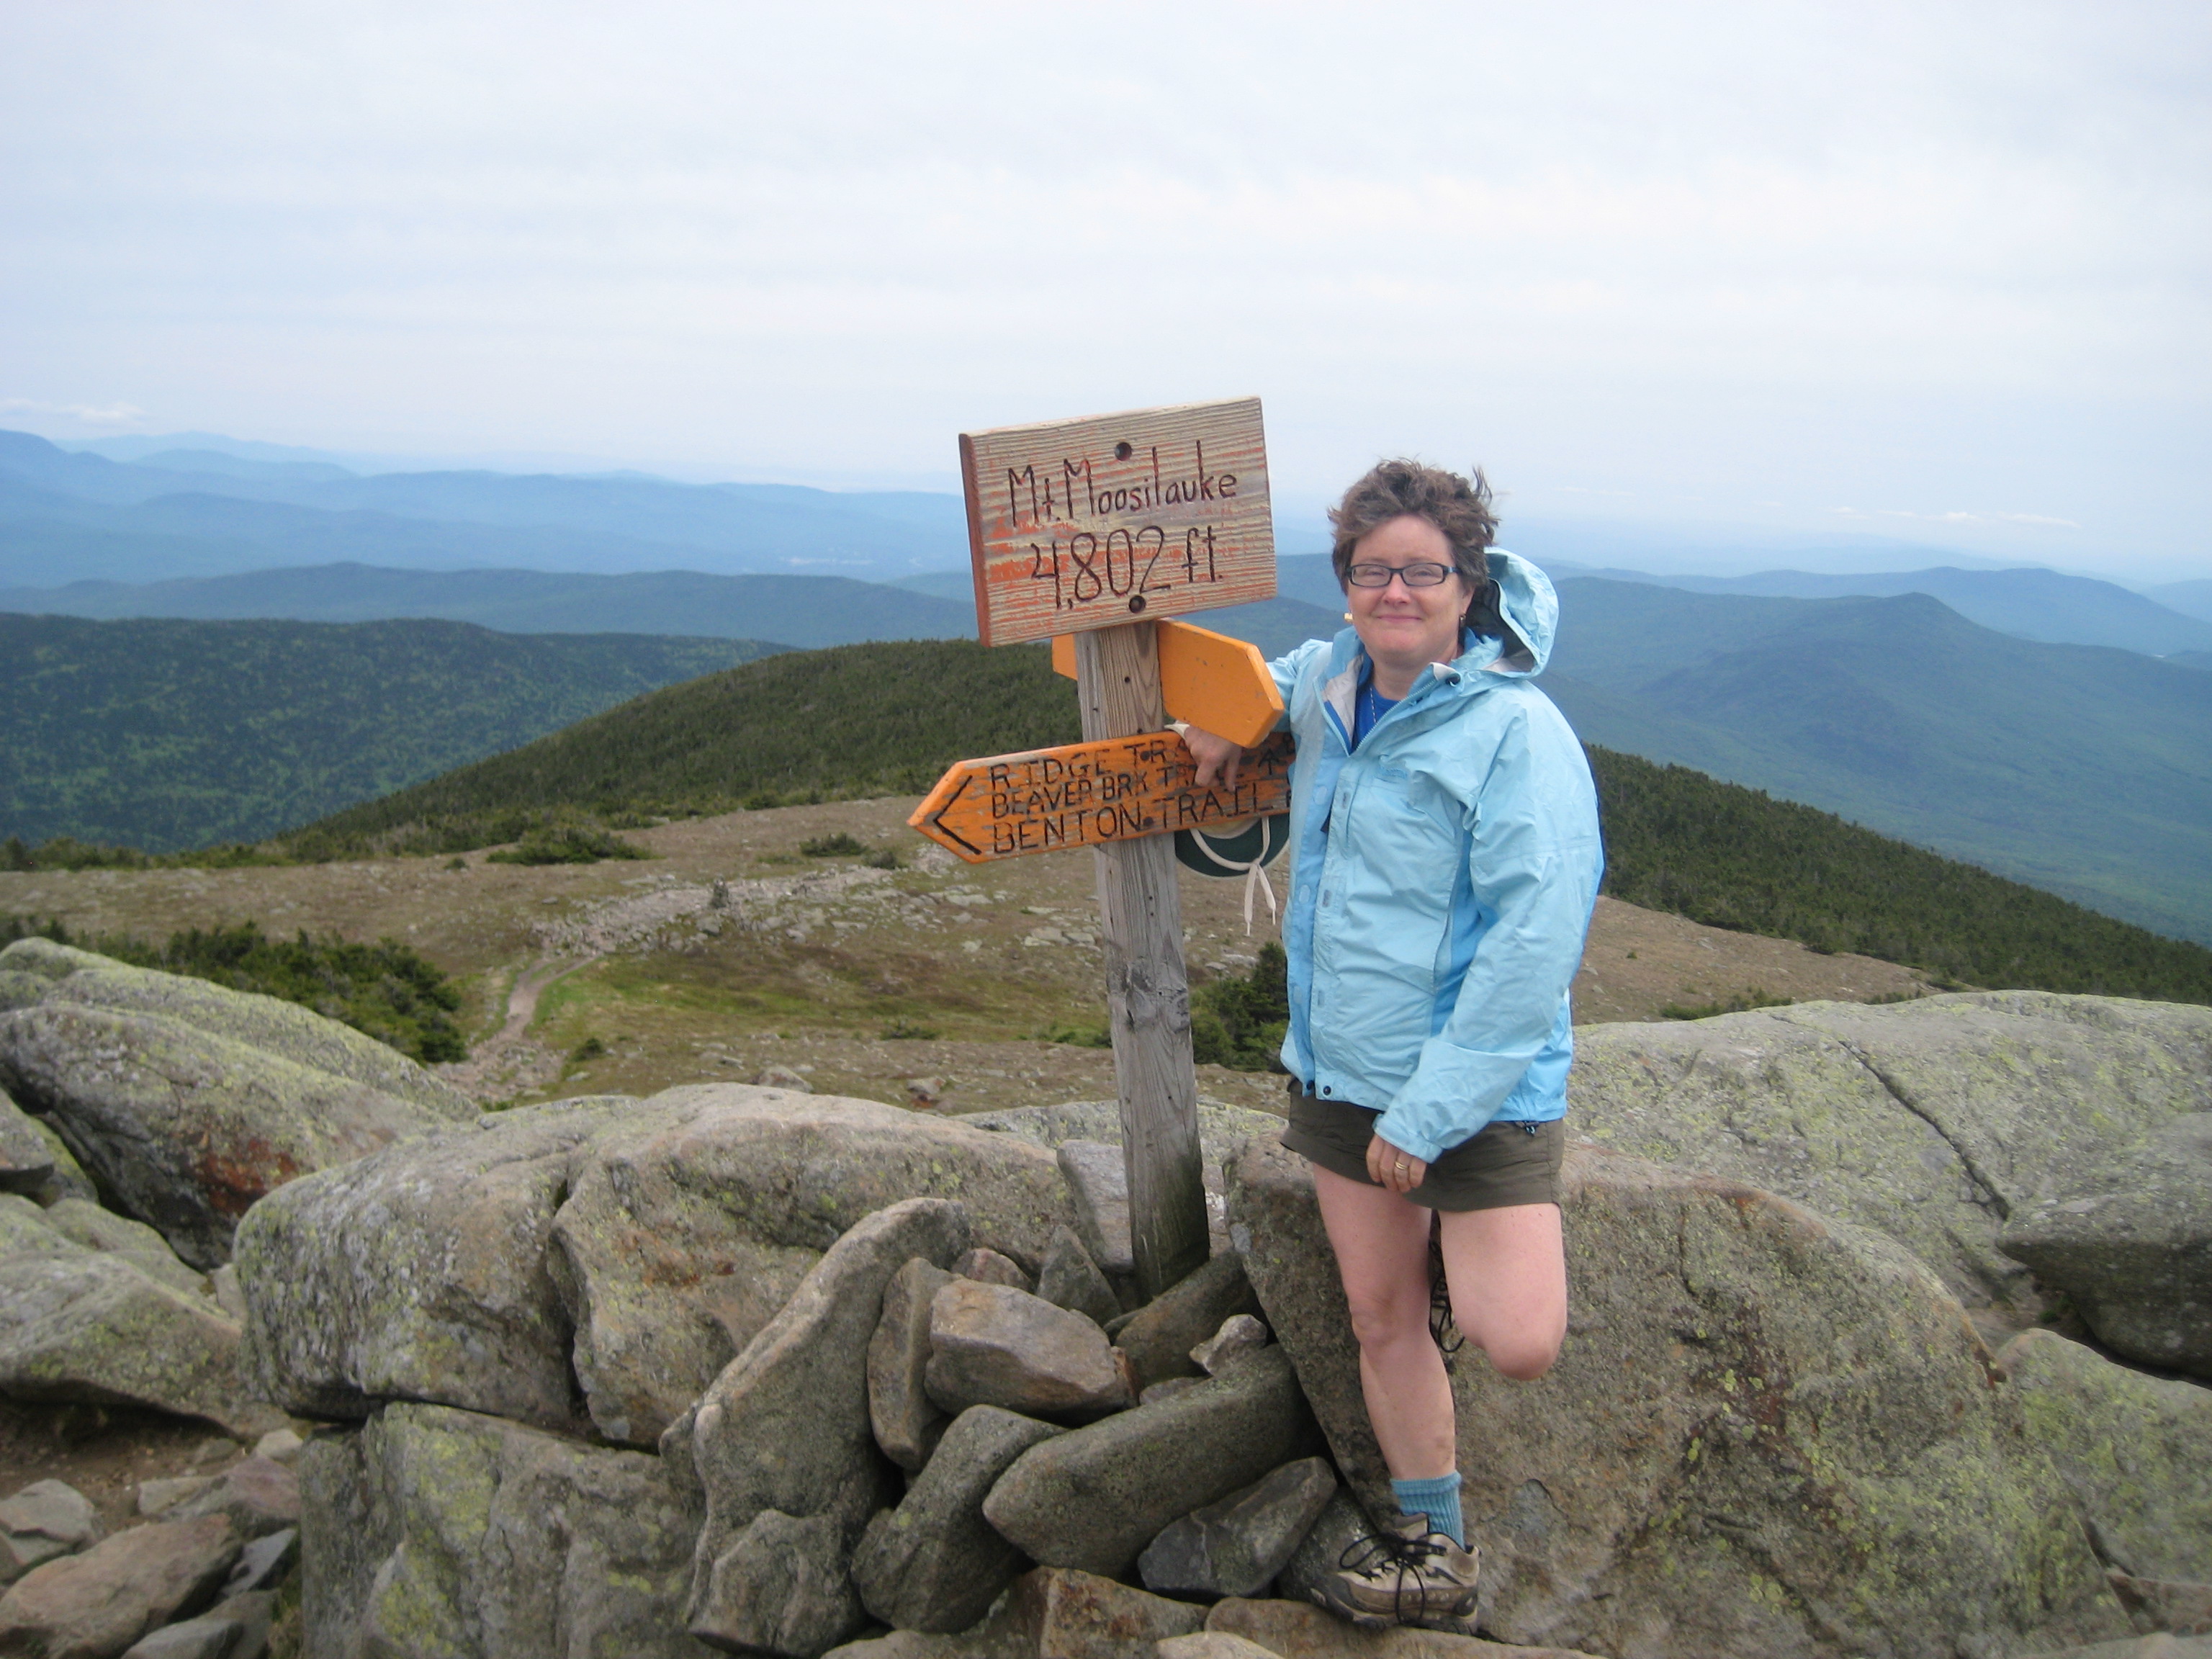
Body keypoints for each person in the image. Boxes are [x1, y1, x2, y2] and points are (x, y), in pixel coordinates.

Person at [1184, 459, 1601, 1632]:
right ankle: (1434, 1545)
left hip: (1475, 1087)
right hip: (1341, 1068)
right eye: (1373, 572)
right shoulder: (1331, 678)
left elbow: (1534, 944)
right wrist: (1224, 717)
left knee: (1517, 1339)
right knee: (1381, 1318)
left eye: (1424, 571)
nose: (1396, 592)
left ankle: (1469, 1253)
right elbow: (1263, 679)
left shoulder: (1515, 731)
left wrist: (1427, 1121)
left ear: (1471, 584)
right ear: (1348, 585)